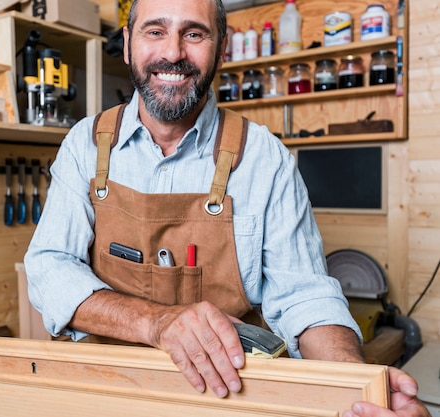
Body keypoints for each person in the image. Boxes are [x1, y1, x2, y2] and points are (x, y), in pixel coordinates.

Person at [24, 0, 430, 416]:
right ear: (128, 44)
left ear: (222, 49)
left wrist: (353, 383)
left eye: (194, 33)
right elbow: (50, 266)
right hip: (104, 395)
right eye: (155, 31)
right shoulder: (84, 144)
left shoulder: (264, 158)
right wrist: (156, 322)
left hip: (230, 401)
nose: (173, 53)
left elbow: (305, 298)